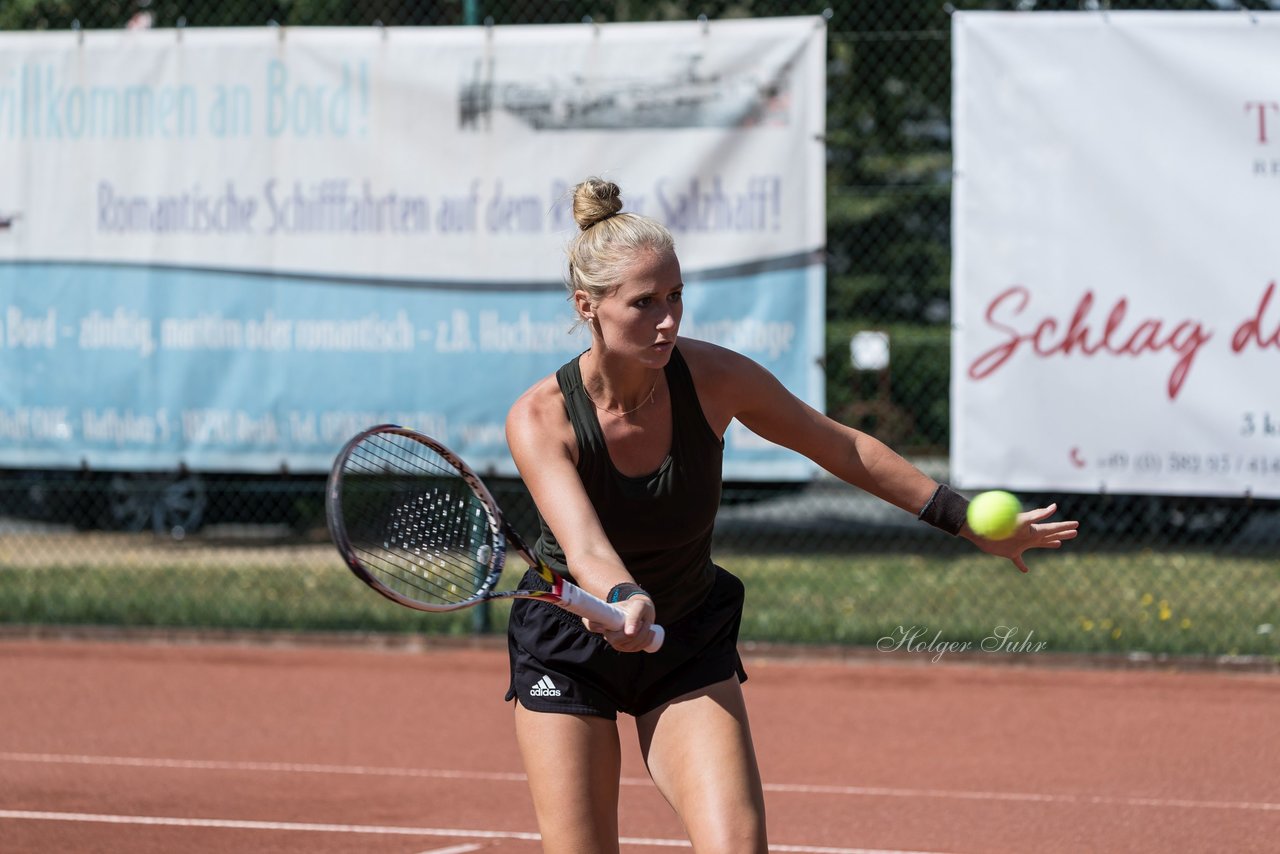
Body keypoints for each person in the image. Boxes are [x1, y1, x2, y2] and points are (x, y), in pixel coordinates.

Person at [503, 177, 1079, 852]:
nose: (668, 319)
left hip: (683, 637)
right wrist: (626, 598)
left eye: (675, 296)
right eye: (644, 303)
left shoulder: (715, 379)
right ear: (588, 307)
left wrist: (963, 517)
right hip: (570, 648)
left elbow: (843, 445)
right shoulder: (542, 418)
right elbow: (587, 546)